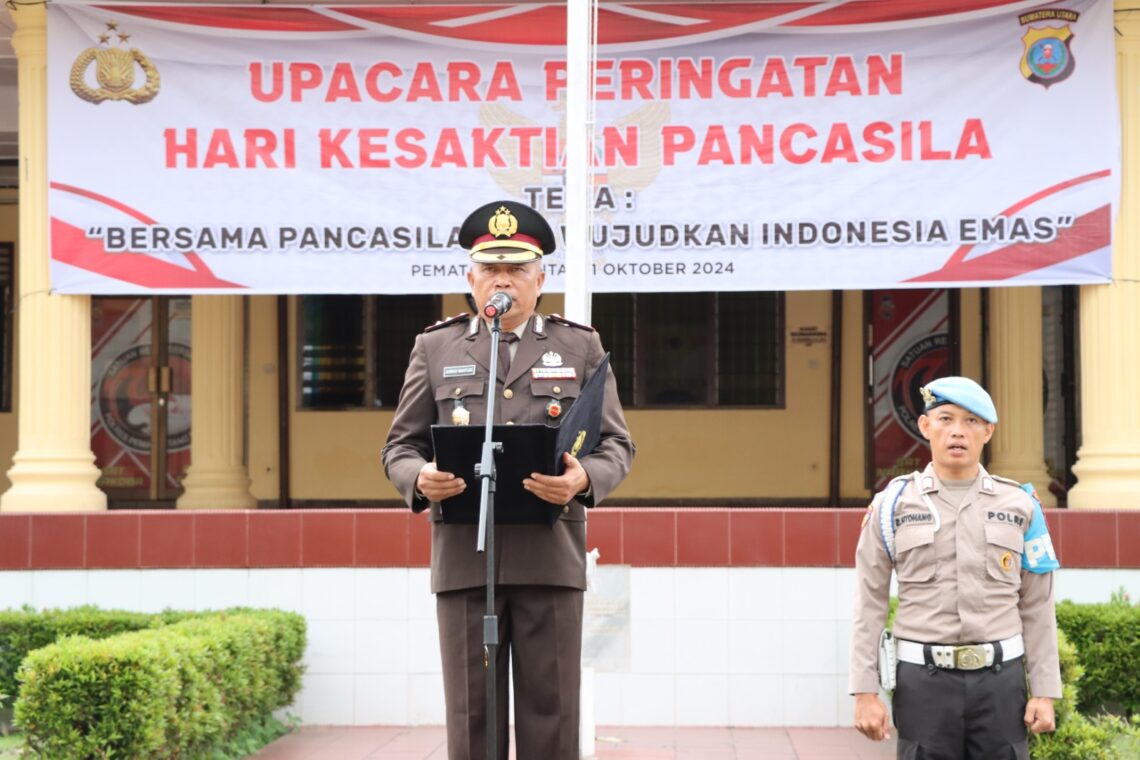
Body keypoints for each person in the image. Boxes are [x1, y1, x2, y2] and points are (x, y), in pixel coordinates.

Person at [382, 199, 635, 760]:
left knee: (553, 717)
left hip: (550, 556)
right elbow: (400, 446)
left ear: (540, 278)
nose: (503, 281)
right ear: (469, 277)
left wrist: (581, 480)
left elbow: (617, 444)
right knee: (472, 721)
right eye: (490, 269)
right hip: (466, 559)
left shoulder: (579, 346)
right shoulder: (436, 346)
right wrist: (419, 478)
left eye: (516, 269)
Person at [849, 376, 1061, 759]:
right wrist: (865, 692)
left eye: (971, 421)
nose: (958, 432)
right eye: (945, 419)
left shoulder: (1021, 506)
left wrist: (1044, 691)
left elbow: (1038, 606)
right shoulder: (891, 505)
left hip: (1001, 684)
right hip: (923, 685)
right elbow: (869, 603)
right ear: (926, 426)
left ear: (988, 431)